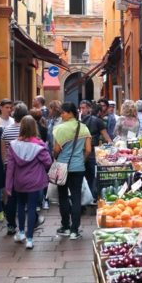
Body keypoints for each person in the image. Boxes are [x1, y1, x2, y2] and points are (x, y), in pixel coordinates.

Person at [5, 117, 53, 250]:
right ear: (34, 128)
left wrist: (8, 185)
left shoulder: (13, 145)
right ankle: (30, 239)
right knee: (32, 208)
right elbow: (48, 162)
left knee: (20, 206)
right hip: (35, 181)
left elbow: (10, 167)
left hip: (19, 181)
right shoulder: (39, 145)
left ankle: (21, 233)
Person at [53, 102, 91, 239]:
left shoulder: (59, 129)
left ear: (70, 113)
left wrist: (56, 157)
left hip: (62, 166)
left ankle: (66, 226)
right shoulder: (84, 128)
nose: (61, 115)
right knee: (76, 197)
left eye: (63, 112)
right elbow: (88, 150)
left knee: (63, 196)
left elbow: (56, 150)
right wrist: (82, 160)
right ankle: (75, 230)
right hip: (78, 167)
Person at [79, 101, 111, 202]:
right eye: (81, 108)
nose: (82, 110)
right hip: (89, 152)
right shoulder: (96, 121)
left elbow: (106, 137)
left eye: (83, 108)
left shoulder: (82, 121)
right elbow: (107, 138)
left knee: (86, 176)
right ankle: (89, 198)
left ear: (89, 108)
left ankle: (86, 198)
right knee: (89, 177)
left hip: (85, 152)